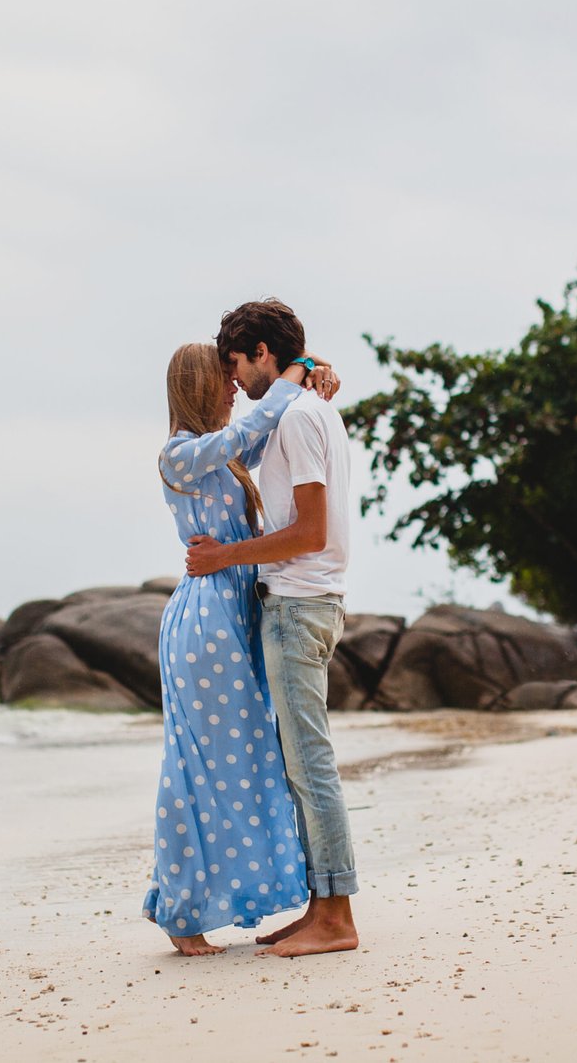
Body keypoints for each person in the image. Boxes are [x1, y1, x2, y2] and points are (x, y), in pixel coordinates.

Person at [143, 341, 337, 956]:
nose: (235, 388)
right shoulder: (182, 455)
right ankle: (180, 911)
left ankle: (238, 897)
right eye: (223, 380)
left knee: (249, 762)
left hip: (238, 608)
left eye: (236, 376)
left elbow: (272, 423)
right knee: (196, 766)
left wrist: (314, 369)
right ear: (198, 386)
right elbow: (258, 419)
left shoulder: (227, 457)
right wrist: (298, 370)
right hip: (206, 621)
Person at [186, 299, 358, 958]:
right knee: (301, 763)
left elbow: (310, 531)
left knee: (309, 763)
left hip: (296, 604)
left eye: (236, 365)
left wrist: (222, 555)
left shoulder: (299, 418)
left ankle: (336, 914)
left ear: (262, 353)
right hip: (306, 602)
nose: (235, 383)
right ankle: (322, 907)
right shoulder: (309, 409)